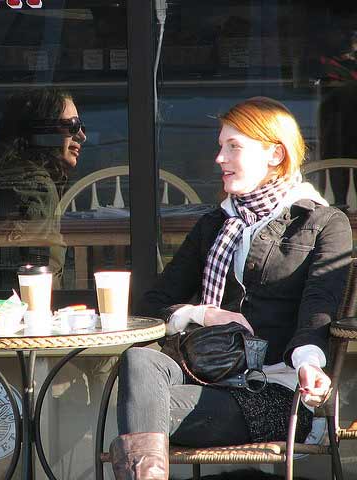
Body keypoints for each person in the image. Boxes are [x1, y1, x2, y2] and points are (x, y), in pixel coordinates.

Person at [110, 97, 353, 479]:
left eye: (233, 146)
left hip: (277, 393)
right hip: (209, 376)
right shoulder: (216, 225)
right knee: (140, 361)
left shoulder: (322, 222)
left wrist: (309, 363)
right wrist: (200, 313)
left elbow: (320, 305)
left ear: (275, 153)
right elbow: (151, 305)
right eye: (220, 146)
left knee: (142, 413)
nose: (219, 158)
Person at [0, 87, 86, 289]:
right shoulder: (38, 186)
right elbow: (43, 272)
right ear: (42, 128)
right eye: (73, 125)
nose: (82, 136)